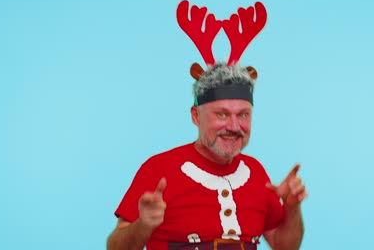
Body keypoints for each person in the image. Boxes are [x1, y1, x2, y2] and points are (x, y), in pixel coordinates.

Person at [107, 63, 308, 250]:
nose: (234, 126)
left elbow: (284, 245)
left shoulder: (255, 172)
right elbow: (114, 247)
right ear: (196, 116)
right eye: (221, 114)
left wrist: (292, 207)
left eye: (243, 115)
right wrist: (144, 224)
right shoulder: (159, 169)